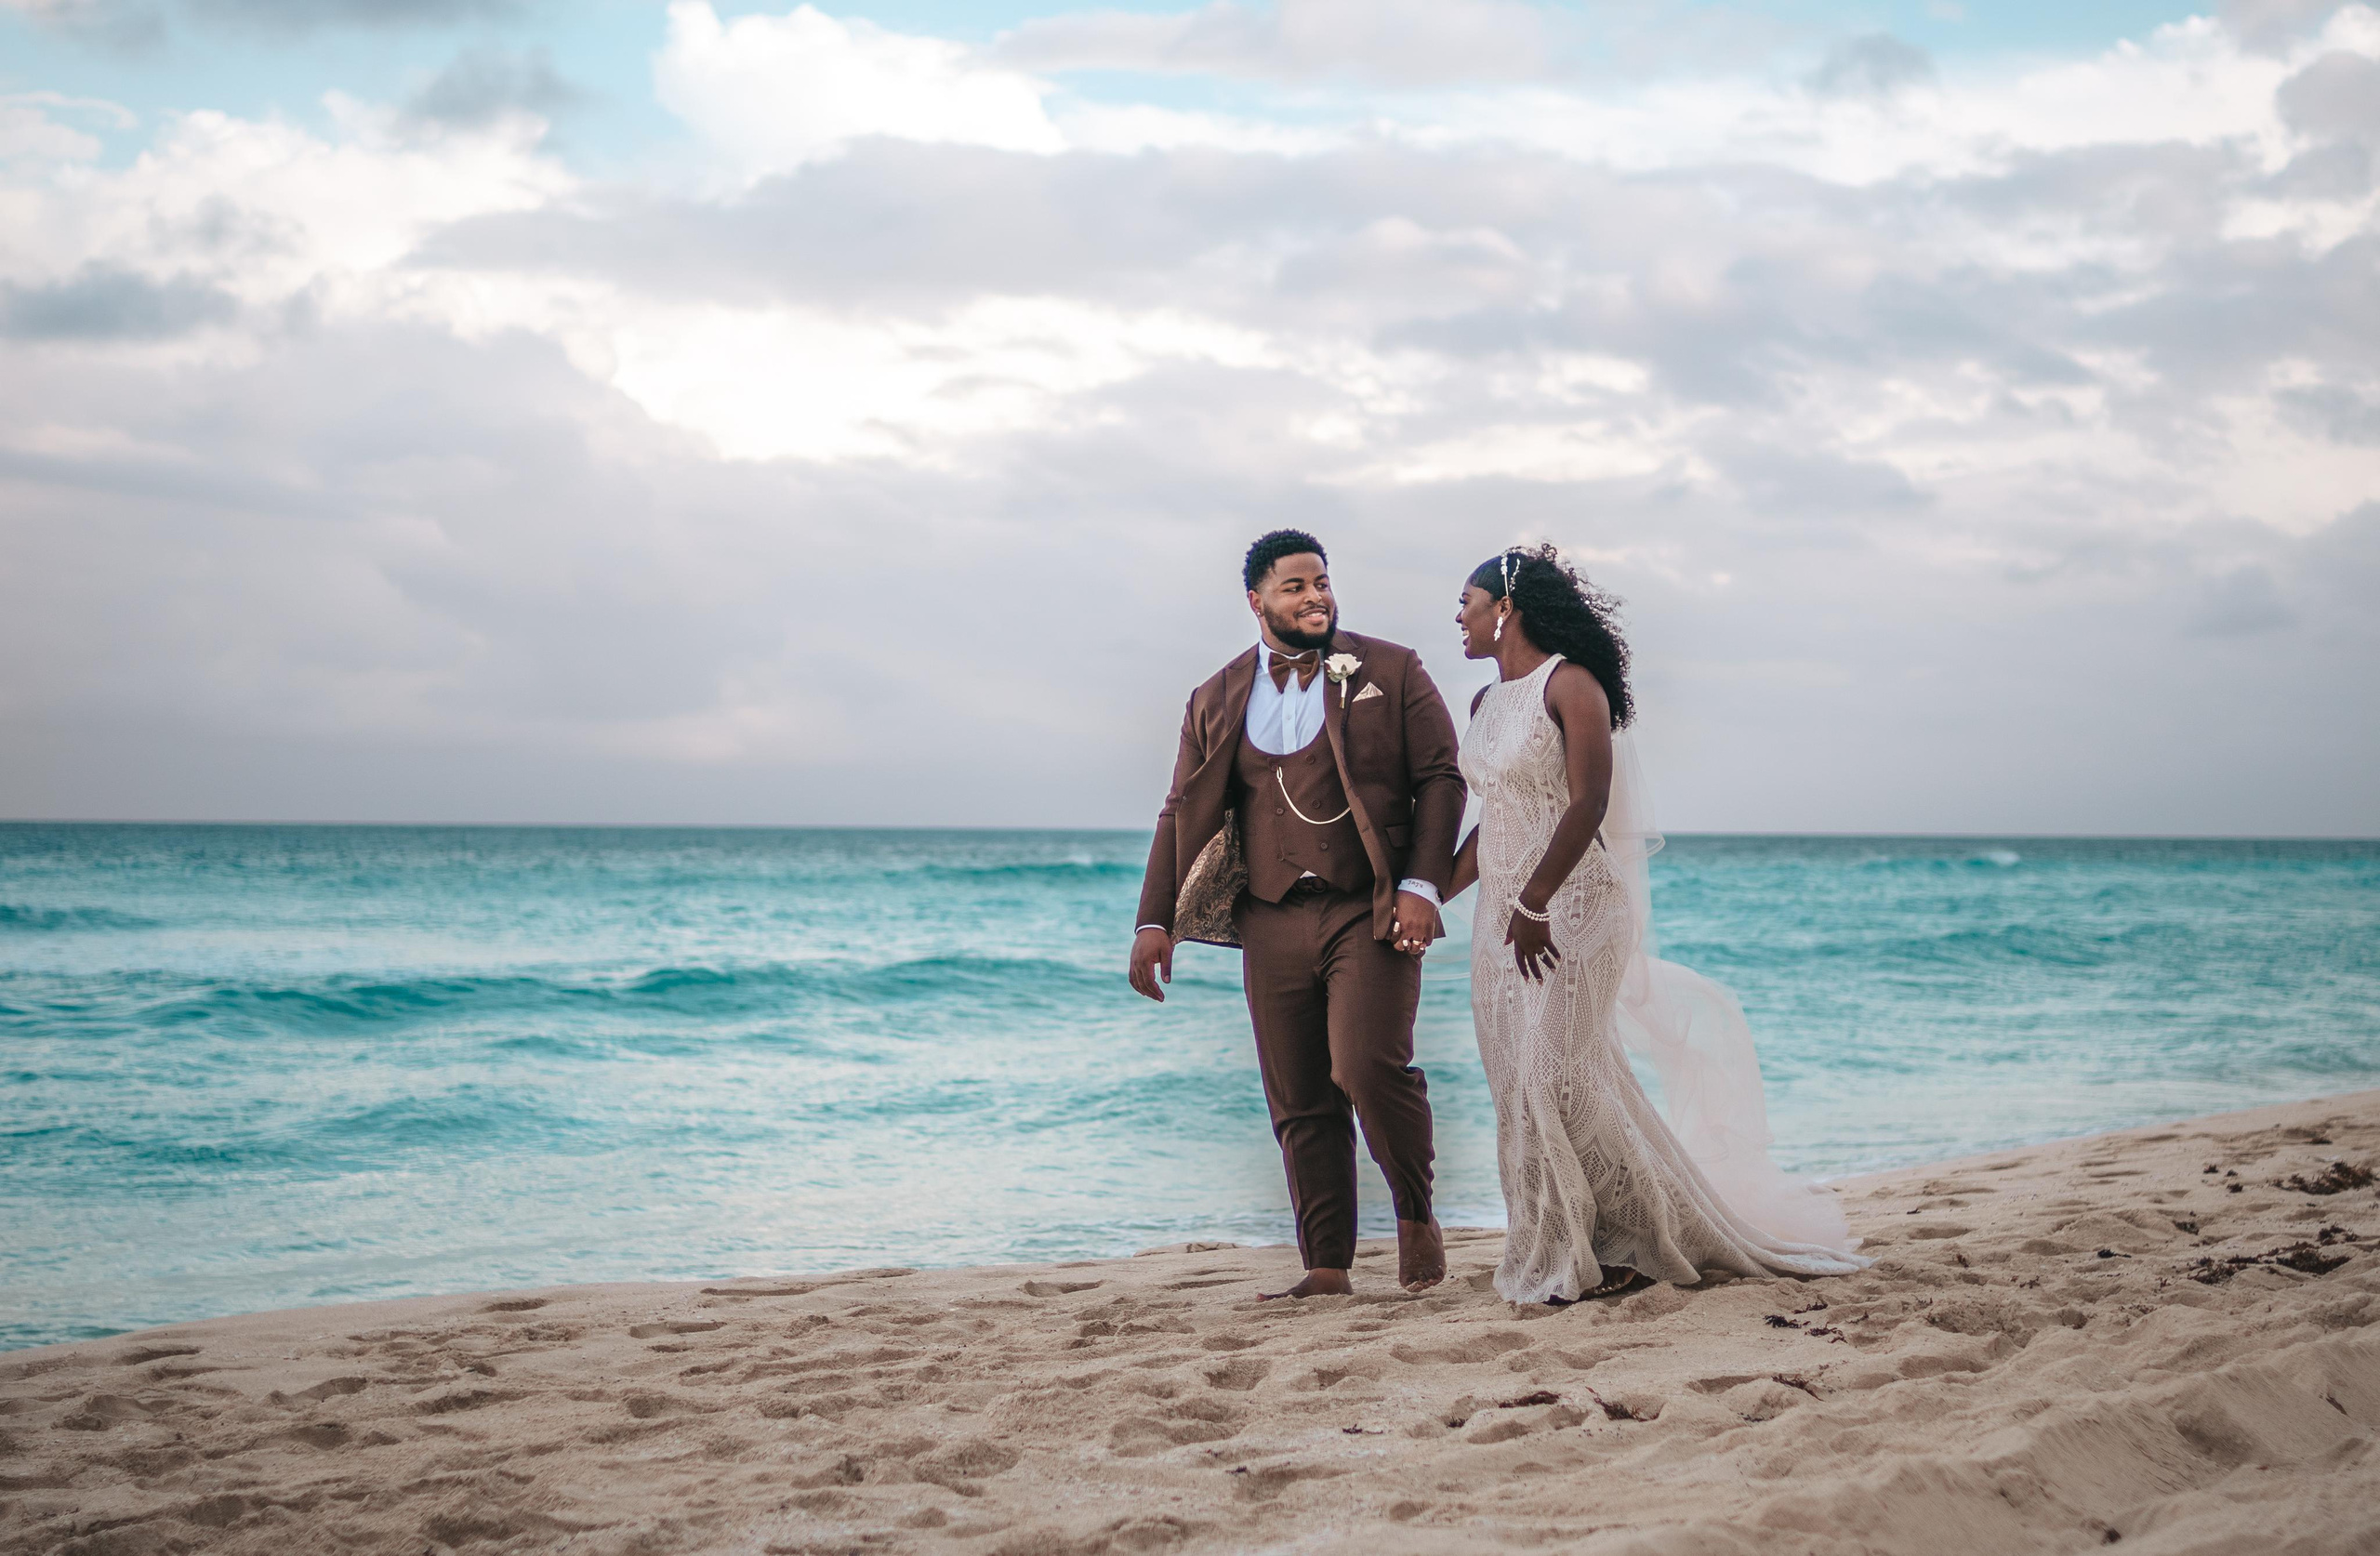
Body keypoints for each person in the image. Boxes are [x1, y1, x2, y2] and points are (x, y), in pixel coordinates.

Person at [1450, 544, 1868, 1304]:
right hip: (1502, 920)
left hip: (1571, 909)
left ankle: (1639, 1242)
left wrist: (1534, 901)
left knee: (1558, 1076)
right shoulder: (1482, 705)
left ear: (1504, 607)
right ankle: (1566, 1243)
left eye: (1468, 602)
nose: (1459, 617)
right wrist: (1427, 894)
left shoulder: (1571, 684)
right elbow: (1496, 819)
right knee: (1518, 1084)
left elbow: (1587, 802)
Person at [1129, 530, 1465, 1298]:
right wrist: (1155, 921)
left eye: (1322, 582)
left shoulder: (1390, 668)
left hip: (1369, 906)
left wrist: (1423, 885)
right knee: (1299, 1096)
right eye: (1295, 587)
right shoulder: (1213, 697)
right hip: (1270, 916)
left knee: (1366, 1065)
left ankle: (1416, 1212)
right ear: (1257, 601)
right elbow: (1179, 812)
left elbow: (1442, 780)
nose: (1316, 596)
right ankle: (1326, 1267)